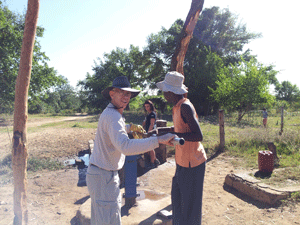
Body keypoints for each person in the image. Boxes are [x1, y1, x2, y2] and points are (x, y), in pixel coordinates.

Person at [86, 76, 176, 225]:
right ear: (112, 94)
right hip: (104, 176)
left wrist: (129, 127)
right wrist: (158, 140)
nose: (126, 97)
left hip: (101, 174)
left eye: (128, 94)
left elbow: (113, 131)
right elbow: (126, 147)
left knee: (103, 219)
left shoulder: (112, 113)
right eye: (121, 92)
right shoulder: (113, 116)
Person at [149, 71, 207, 224]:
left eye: (165, 90)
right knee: (178, 199)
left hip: (193, 163)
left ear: (170, 91)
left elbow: (198, 135)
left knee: (190, 206)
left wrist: (176, 138)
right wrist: (159, 131)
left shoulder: (185, 107)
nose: (163, 94)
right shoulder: (177, 106)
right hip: (182, 162)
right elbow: (180, 129)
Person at [142, 100, 160, 168]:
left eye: (148, 106)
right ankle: (155, 160)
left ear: (151, 106)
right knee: (149, 147)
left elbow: (152, 124)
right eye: (145, 106)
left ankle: (152, 163)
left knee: (150, 148)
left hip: (151, 133)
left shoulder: (152, 114)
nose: (146, 108)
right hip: (148, 132)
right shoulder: (149, 114)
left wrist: (148, 133)